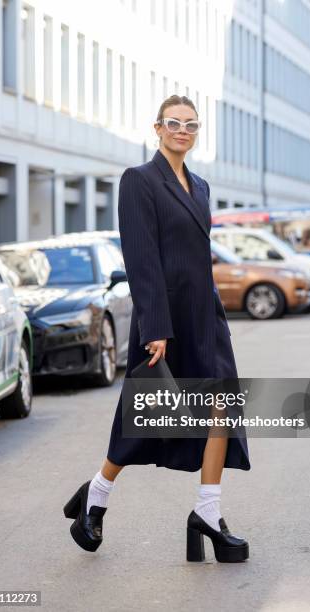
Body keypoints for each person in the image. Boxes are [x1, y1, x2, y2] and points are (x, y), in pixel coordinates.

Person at [63, 95, 251, 563]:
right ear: (158, 128)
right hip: (164, 323)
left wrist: (217, 318)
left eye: (190, 124)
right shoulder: (139, 181)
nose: (182, 130)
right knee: (146, 419)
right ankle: (97, 495)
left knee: (220, 412)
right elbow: (142, 259)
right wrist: (155, 329)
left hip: (204, 319)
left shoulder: (202, 186)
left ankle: (207, 514)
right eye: (174, 123)